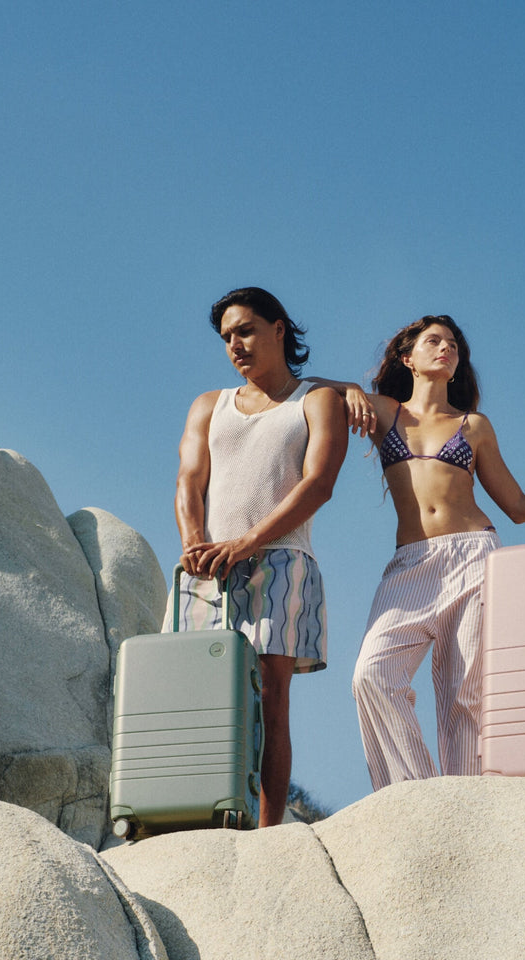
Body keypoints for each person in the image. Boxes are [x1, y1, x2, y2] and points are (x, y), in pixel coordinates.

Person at [313, 315, 525, 790]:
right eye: (433, 341)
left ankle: (467, 798)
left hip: (474, 556)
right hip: (410, 564)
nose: (446, 349)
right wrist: (348, 389)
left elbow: (518, 506)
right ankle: (416, 794)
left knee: (464, 691)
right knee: (371, 676)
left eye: (453, 345)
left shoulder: (472, 426)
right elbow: (308, 389)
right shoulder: (384, 412)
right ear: (407, 357)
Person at [170, 286, 348, 827]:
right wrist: (193, 540)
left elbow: (318, 485)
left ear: (279, 329)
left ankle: (269, 831)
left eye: (245, 330)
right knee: (200, 695)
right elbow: (189, 479)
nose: (235, 345)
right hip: (206, 567)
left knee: (271, 698)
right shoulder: (210, 404)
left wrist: (244, 544)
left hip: (282, 561)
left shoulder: (317, 401)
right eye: (226, 337)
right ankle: (198, 813)